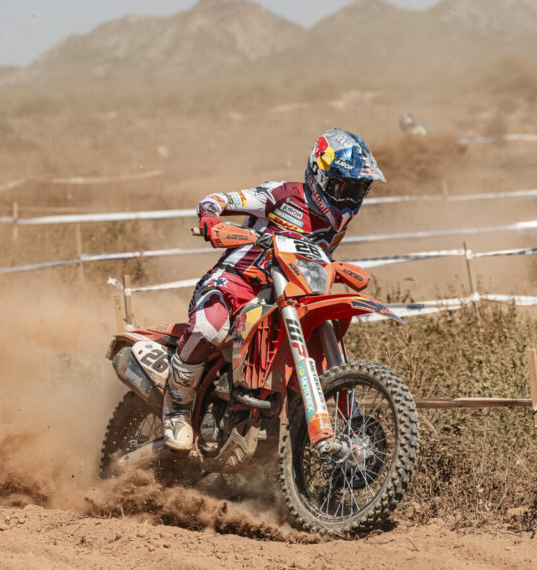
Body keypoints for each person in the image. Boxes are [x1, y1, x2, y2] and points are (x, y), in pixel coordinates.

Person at [163, 128, 386, 450]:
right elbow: (217, 200)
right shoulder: (281, 194)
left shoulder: (338, 224)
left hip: (290, 295)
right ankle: (177, 407)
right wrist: (212, 220)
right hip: (238, 280)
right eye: (345, 187)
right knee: (210, 325)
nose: (351, 198)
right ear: (321, 177)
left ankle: (321, 433)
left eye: (359, 189)